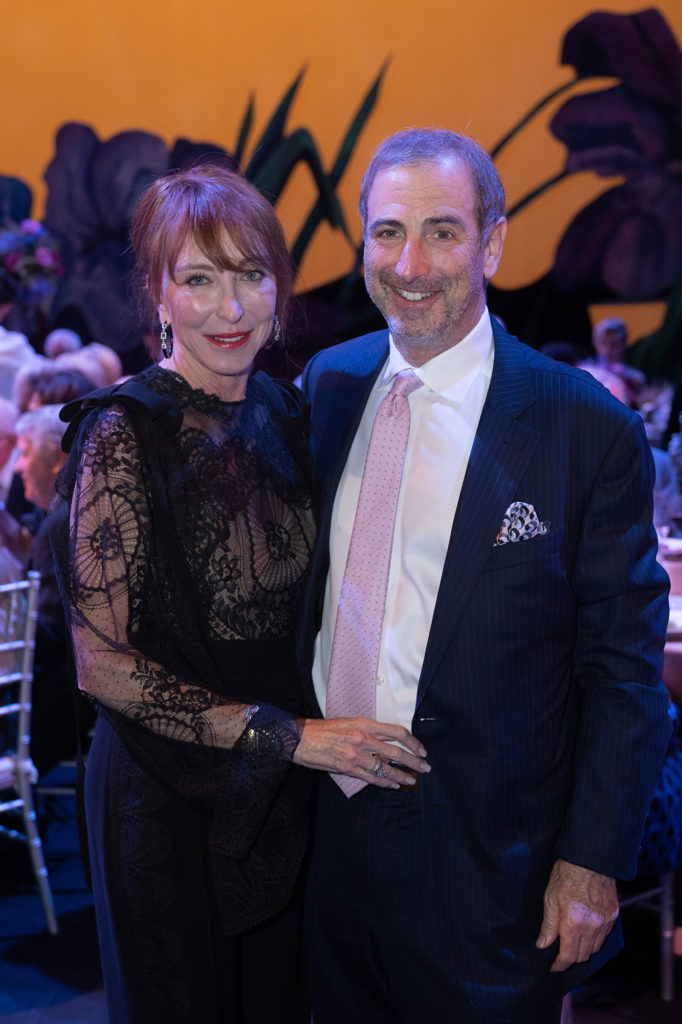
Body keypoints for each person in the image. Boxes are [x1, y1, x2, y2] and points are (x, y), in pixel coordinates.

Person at [298, 129, 672, 1024]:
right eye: (387, 233)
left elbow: (623, 674)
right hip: (323, 845)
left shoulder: (585, 429)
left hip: (491, 870)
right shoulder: (328, 385)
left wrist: (591, 864)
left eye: (442, 231)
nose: (410, 262)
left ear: (493, 242)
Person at [49, 165, 427, 1024]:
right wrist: (288, 737)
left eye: (253, 277)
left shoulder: (290, 415)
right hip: (165, 792)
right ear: (158, 293)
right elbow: (101, 667)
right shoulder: (123, 431)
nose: (232, 309)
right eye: (199, 279)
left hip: (283, 789)